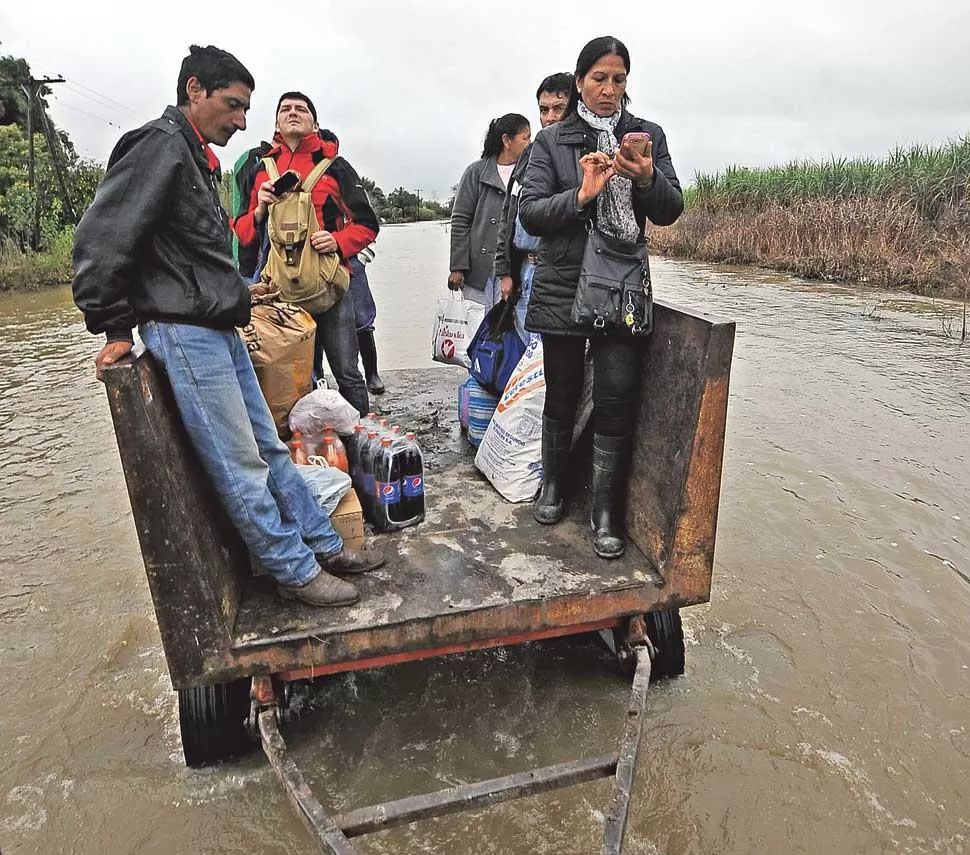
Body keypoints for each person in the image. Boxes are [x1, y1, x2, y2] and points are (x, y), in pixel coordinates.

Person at [72, 45, 384, 608]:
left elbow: (196, 254)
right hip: (183, 333)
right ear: (195, 90)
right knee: (240, 460)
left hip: (216, 324)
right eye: (234, 105)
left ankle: (322, 543)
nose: (242, 121)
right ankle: (294, 571)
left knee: (267, 444)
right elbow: (101, 239)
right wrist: (115, 327)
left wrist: (239, 292)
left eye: (246, 109)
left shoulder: (194, 157)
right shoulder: (157, 147)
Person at [518, 36, 684, 559]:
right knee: (561, 393)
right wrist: (583, 195)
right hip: (565, 283)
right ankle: (554, 486)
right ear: (579, 83)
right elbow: (532, 214)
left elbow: (670, 209)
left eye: (618, 79)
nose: (609, 90)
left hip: (621, 287)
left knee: (616, 401)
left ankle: (607, 510)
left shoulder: (647, 136)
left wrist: (647, 177)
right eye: (599, 79)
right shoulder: (551, 141)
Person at [234, 91, 379, 415]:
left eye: (301, 109)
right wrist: (259, 209)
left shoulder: (335, 167)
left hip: (330, 289)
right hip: (280, 294)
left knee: (347, 373)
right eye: (285, 109)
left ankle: (359, 446)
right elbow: (243, 233)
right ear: (276, 122)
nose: (293, 112)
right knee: (295, 378)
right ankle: (308, 450)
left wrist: (339, 241)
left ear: (315, 122)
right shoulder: (258, 171)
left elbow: (368, 224)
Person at [494, 73, 573, 343]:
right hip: (526, 271)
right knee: (527, 351)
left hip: (561, 277)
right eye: (543, 109)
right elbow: (509, 213)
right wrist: (504, 272)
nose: (549, 117)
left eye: (558, 108)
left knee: (556, 361)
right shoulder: (530, 153)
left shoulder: (582, 154)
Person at [448, 113, 531, 309]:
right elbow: (461, 220)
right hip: (479, 268)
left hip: (515, 267)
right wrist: (458, 267)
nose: (530, 143)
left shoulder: (531, 172)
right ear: (506, 140)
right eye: (525, 137)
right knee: (476, 327)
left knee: (509, 328)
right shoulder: (476, 172)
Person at [350, 243, 385, 394]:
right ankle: (317, 376)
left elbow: (368, 224)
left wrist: (362, 257)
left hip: (351, 258)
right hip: (313, 260)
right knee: (316, 319)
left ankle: (372, 374)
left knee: (362, 317)